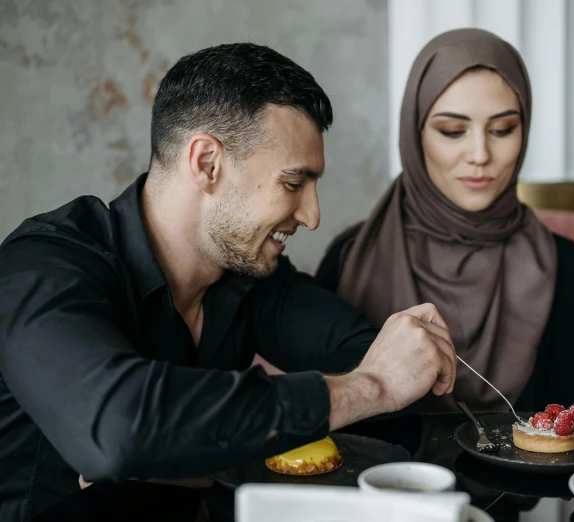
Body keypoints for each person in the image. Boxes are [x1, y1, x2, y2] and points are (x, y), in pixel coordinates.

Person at [0, 43, 457, 521]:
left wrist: (179, 450)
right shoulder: (43, 267)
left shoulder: (251, 273)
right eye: (293, 183)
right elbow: (120, 429)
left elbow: (392, 374)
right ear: (206, 164)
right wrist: (367, 387)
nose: (313, 216)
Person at [316, 29, 574, 419]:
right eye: (452, 131)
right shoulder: (351, 260)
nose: (480, 154)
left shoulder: (565, 268)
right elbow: (312, 416)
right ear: (414, 134)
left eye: (502, 129)